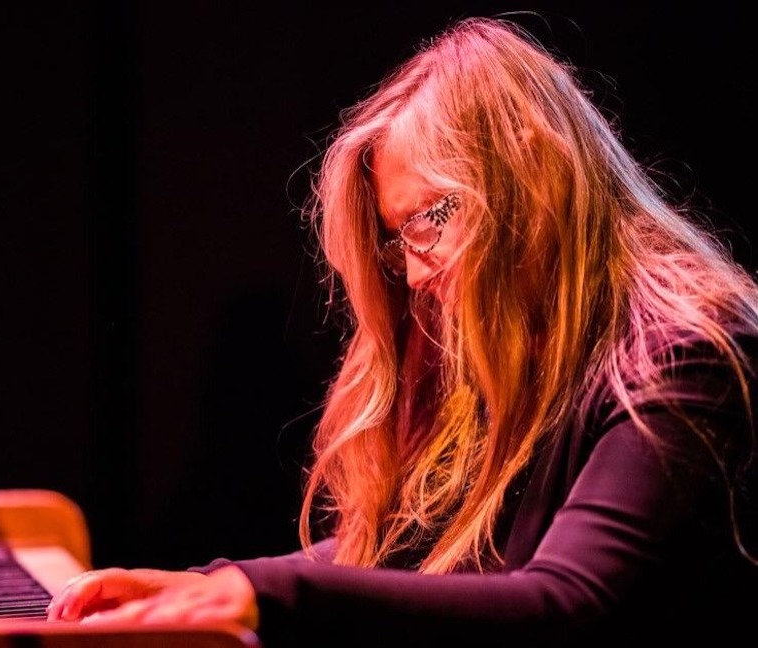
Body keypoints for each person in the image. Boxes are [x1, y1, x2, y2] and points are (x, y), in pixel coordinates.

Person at [47, 16, 758, 646]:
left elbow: (564, 604)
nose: (414, 275)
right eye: (400, 240)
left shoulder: (686, 353)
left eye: (426, 222)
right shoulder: (523, 344)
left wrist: (264, 596)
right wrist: (210, 584)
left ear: (528, 183)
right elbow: (406, 550)